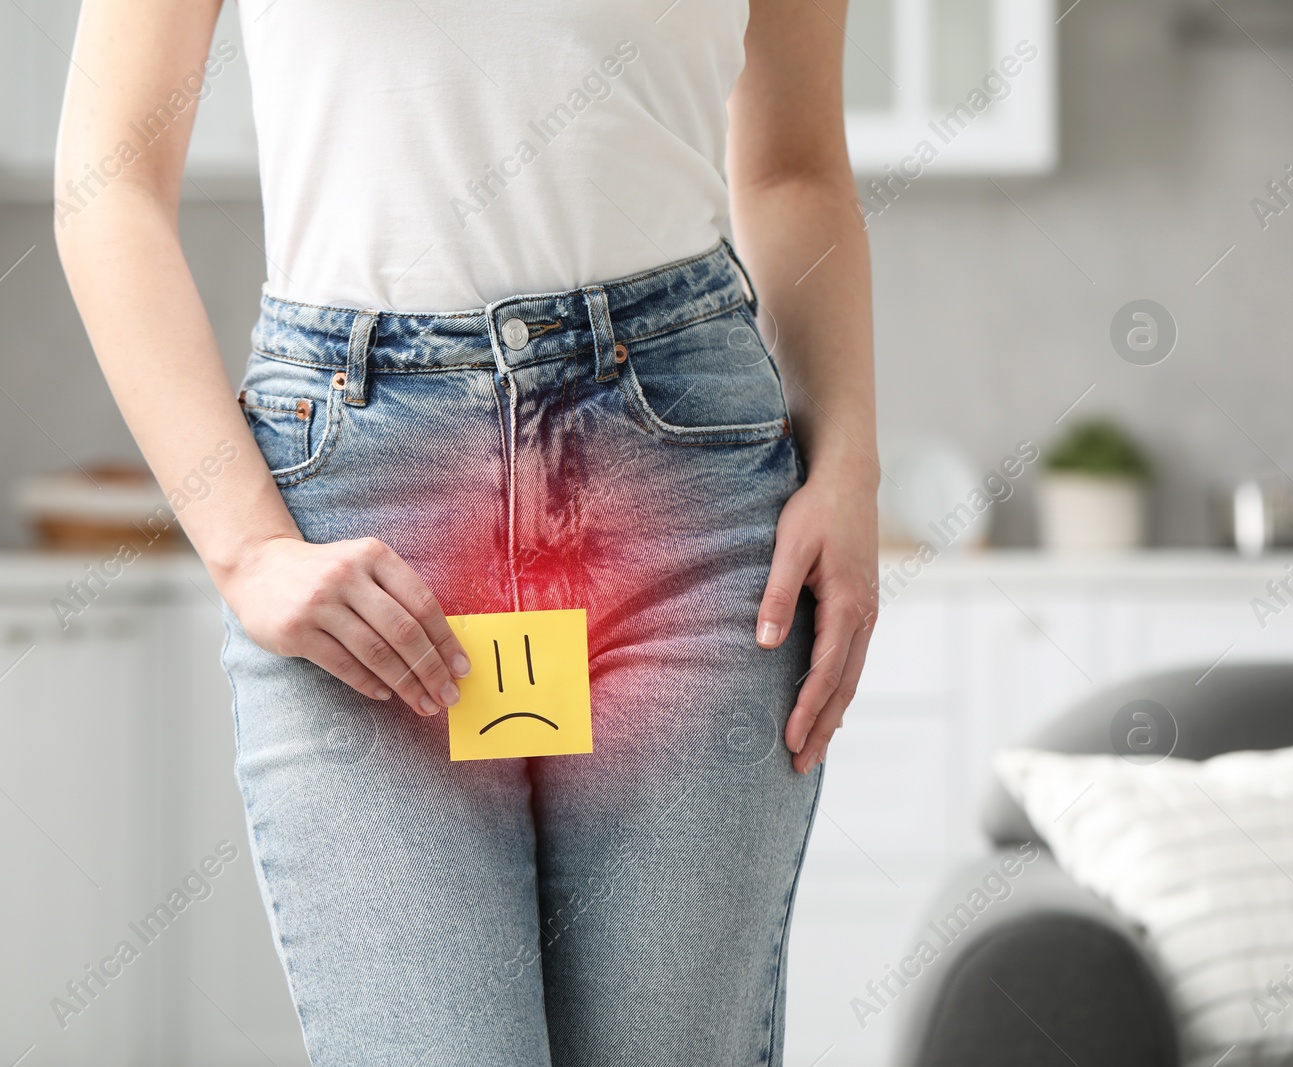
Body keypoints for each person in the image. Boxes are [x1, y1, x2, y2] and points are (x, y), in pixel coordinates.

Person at [56, 2, 878, 1063]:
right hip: (365, 506)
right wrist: (246, 545)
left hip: (679, 479)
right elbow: (107, 176)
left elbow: (794, 167)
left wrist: (848, 458)